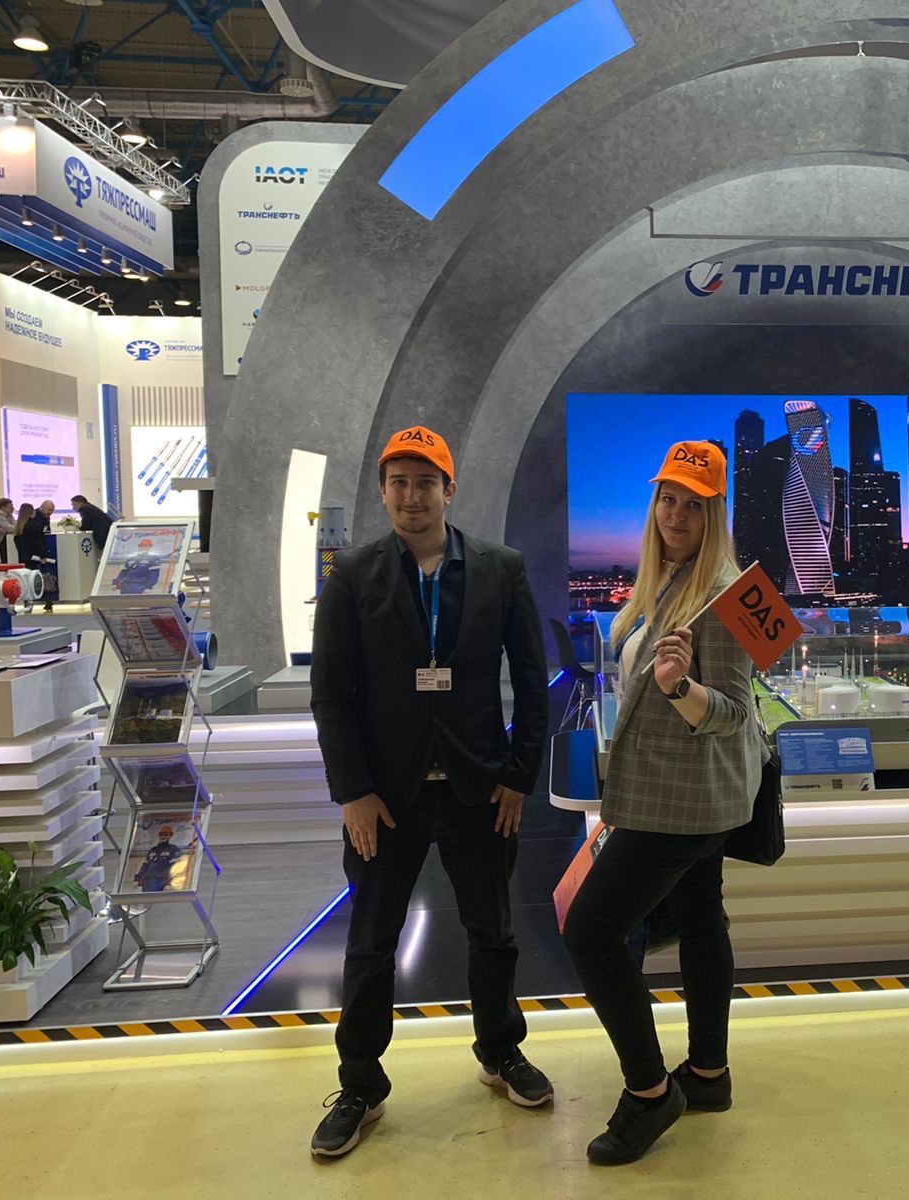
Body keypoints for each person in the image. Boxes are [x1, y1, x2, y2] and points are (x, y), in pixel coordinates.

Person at [307, 424, 552, 1160]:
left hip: (481, 790)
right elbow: (331, 695)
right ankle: (360, 1084)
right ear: (383, 491)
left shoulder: (500, 568)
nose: (411, 497)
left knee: (494, 932)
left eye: (425, 483)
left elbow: (532, 683)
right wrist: (352, 792)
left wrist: (517, 777)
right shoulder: (353, 574)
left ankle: (500, 1052)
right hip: (386, 799)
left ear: (450, 490)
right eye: (399, 483)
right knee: (369, 943)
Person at [561, 441, 763, 1166]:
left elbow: (735, 711)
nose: (676, 514)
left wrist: (681, 688)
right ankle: (708, 1075)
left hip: (684, 804)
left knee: (590, 933)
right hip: (680, 792)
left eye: (693, 503)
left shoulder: (727, 594)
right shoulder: (668, 580)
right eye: (667, 498)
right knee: (702, 921)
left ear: (716, 513)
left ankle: (651, 1093)